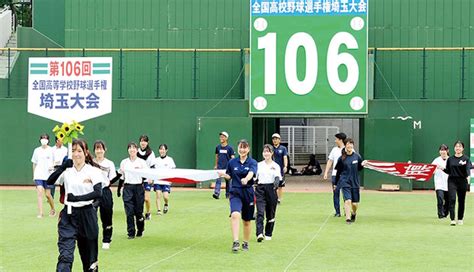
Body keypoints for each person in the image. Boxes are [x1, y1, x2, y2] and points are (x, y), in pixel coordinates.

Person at [50, 139, 104, 271]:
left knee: (89, 261)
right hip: (68, 216)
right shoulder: (67, 171)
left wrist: (77, 198)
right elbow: (50, 181)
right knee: (65, 256)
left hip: (87, 215)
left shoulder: (93, 171)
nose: (76, 154)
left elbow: (98, 193)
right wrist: (62, 167)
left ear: (86, 153)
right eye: (73, 151)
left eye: (79, 151)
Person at [219, 139, 257, 253]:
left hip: (248, 193)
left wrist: (246, 178)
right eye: (240, 147)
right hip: (235, 192)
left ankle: (245, 242)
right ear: (237, 149)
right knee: (235, 215)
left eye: (245, 147)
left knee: (246, 221)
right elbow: (229, 176)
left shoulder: (252, 162)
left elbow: (251, 172)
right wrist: (223, 175)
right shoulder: (232, 162)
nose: (242, 150)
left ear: (248, 149)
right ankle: (235, 241)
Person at [93, 140, 121, 250]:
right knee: (91, 216)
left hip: (105, 191)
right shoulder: (90, 162)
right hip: (93, 192)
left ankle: (106, 239)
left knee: (107, 216)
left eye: (101, 148)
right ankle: (91, 239)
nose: (99, 151)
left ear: (105, 150)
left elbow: (111, 179)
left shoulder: (109, 163)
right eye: (97, 148)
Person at [118, 142, 148, 239]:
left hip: (138, 188)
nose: (132, 150)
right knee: (129, 212)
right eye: (130, 148)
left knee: (138, 212)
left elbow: (147, 176)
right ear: (128, 150)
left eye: (134, 148)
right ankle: (130, 232)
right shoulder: (124, 162)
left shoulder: (142, 162)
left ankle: (140, 228)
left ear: (137, 149)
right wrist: (118, 189)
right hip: (127, 188)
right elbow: (121, 177)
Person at [334, 138, 365, 224]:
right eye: (348, 144)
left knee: (354, 204)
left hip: (355, 182)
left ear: (353, 146)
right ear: (345, 146)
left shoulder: (357, 157)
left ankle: (353, 213)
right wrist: (336, 184)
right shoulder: (341, 159)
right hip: (345, 182)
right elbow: (338, 172)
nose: (349, 146)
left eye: (351, 144)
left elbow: (360, 168)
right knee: (347, 201)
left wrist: (363, 164)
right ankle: (348, 219)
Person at [441, 141, 471, 226]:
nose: (458, 148)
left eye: (460, 147)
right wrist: (442, 168)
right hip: (452, 181)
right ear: (454, 148)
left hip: (462, 181)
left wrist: (468, 177)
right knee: (452, 199)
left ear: (463, 148)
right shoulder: (450, 159)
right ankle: (453, 219)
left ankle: (460, 218)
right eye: (456, 146)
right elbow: (448, 171)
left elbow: (468, 170)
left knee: (461, 201)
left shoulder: (466, 159)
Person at [255, 144, 281, 242]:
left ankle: (268, 232)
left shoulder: (276, 166)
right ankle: (259, 233)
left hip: (271, 189)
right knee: (260, 212)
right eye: (265, 151)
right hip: (260, 189)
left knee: (270, 214)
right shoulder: (258, 165)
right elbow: (254, 177)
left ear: (272, 153)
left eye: (268, 151)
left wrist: (277, 181)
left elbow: (278, 177)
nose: (266, 153)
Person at [31, 133, 56, 218]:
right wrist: (34, 175)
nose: (43, 140)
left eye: (45, 138)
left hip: (48, 176)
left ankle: (53, 209)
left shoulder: (52, 150)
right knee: (40, 192)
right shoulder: (36, 150)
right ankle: (40, 213)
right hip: (39, 175)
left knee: (48, 195)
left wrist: (52, 167)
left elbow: (55, 162)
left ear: (48, 140)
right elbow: (34, 163)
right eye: (42, 138)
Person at [323, 132, 347, 217]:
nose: (335, 141)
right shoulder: (334, 149)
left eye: (336, 139)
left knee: (346, 193)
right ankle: (337, 212)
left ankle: (346, 210)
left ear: (340, 140)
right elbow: (330, 161)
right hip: (335, 175)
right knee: (335, 193)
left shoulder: (348, 149)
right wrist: (326, 172)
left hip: (345, 175)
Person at [152, 144, 176, 215]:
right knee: (158, 194)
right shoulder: (155, 160)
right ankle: (159, 210)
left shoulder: (170, 160)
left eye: (163, 149)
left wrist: (171, 180)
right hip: (158, 181)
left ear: (166, 150)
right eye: (160, 149)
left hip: (166, 181)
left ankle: (166, 204)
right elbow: (153, 170)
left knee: (165, 196)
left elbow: (173, 170)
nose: (162, 151)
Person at [137, 135, 156, 221]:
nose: (143, 143)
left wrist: (151, 177)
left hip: (146, 178)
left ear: (147, 142)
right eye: (141, 141)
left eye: (144, 141)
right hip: (137, 179)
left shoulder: (151, 153)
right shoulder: (136, 152)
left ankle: (148, 212)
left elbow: (152, 166)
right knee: (138, 198)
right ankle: (139, 214)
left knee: (146, 199)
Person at [213, 131, 235, 199]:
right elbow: (217, 156)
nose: (221, 138)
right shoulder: (218, 147)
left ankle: (228, 194)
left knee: (228, 182)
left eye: (223, 136)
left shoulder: (230, 148)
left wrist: (232, 167)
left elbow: (232, 158)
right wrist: (216, 165)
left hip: (227, 168)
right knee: (218, 180)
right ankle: (216, 193)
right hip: (219, 167)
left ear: (226, 138)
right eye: (220, 136)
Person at [431, 144, 449, 219]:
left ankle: (445, 213)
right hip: (439, 183)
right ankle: (440, 214)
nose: (443, 152)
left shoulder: (451, 159)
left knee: (448, 201)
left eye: (444, 150)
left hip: (449, 183)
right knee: (440, 199)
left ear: (447, 151)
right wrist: (435, 169)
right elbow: (431, 171)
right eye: (441, 150)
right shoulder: (436, 160)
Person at [271, 133, 288, 204]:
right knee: (272, 184)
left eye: (276, 139)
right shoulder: (271, 148)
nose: (275, 140)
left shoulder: (283, 148)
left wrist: (285, 166)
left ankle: (279, 199)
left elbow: (285, 157)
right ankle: (272, 198)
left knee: (280, 185)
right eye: (273, 139)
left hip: (280, 169)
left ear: (279, 140)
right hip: (272, 169)